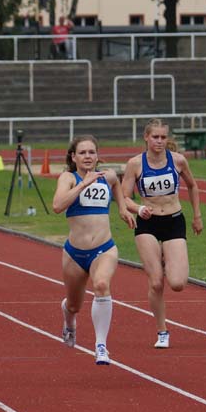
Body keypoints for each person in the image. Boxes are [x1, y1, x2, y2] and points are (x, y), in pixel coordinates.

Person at [52, 135, 135, 365]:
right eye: (82, 153)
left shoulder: (107, 176)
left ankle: (101, 346)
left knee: (101, 285)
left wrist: (122, 209)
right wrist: (83, 184)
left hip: (104, 248)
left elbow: (116, 184)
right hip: (75, 253)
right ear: (73, 157)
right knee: (74, 305)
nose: (87, 156)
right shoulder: (68, 178)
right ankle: (69, 320)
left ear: (97, 156)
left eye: (91, 152)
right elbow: (57, 206)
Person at [121, 118, 203, 349]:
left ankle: (166, 257)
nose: (159, 141)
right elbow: (124, 197)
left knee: (177, 283)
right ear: (146, 137)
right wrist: (139, 209)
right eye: (155, 137)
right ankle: (162, 331)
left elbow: (193, 186)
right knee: (156, 282)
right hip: (148, 223)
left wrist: (197, 216)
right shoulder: (135, 164)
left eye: (163, 137)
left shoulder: (178, 160)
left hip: (174, 220)